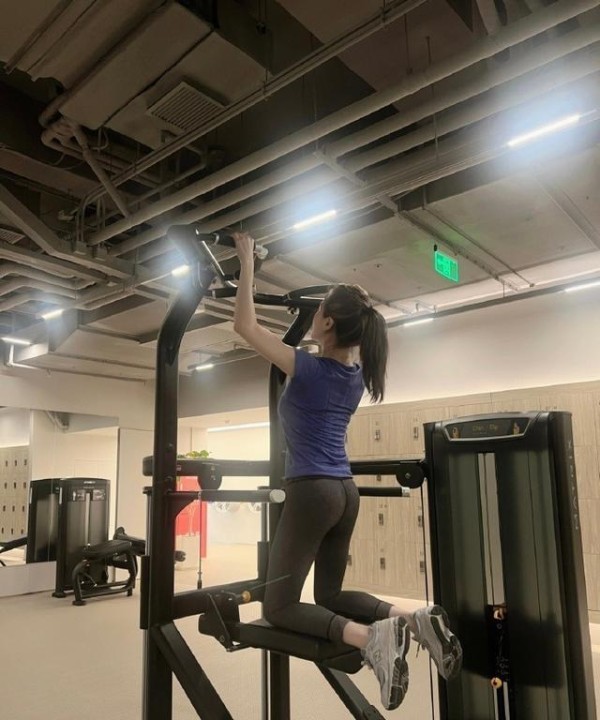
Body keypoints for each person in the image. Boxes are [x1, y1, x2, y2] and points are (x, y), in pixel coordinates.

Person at [232, 231, 462, 711]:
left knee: (279, 605)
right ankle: (414, 618)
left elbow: (244, 326)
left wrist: (246, 262)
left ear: (328, 323)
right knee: (330, 593)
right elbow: (309, 346)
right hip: (344, 493)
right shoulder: (355, 377)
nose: (314, 316)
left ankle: (371, 638)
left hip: (312, 492)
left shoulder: (307, 369)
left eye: (318, 312)